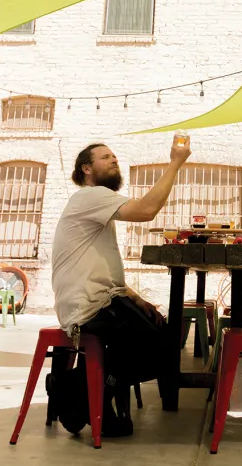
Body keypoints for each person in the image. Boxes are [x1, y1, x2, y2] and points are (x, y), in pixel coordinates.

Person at [48, 136, 191, 437]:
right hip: (89, 306)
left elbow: (103, 270)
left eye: (114, 156)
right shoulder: (90, 196)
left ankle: (79, 390)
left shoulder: (98, 205)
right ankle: (85, 394)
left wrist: (136, 298)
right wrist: (176, 162)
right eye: (105, 157)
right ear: (86, 168)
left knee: (161, 333)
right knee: (162, 347)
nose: (114, 160)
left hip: (102, 300)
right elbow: (146, 210)